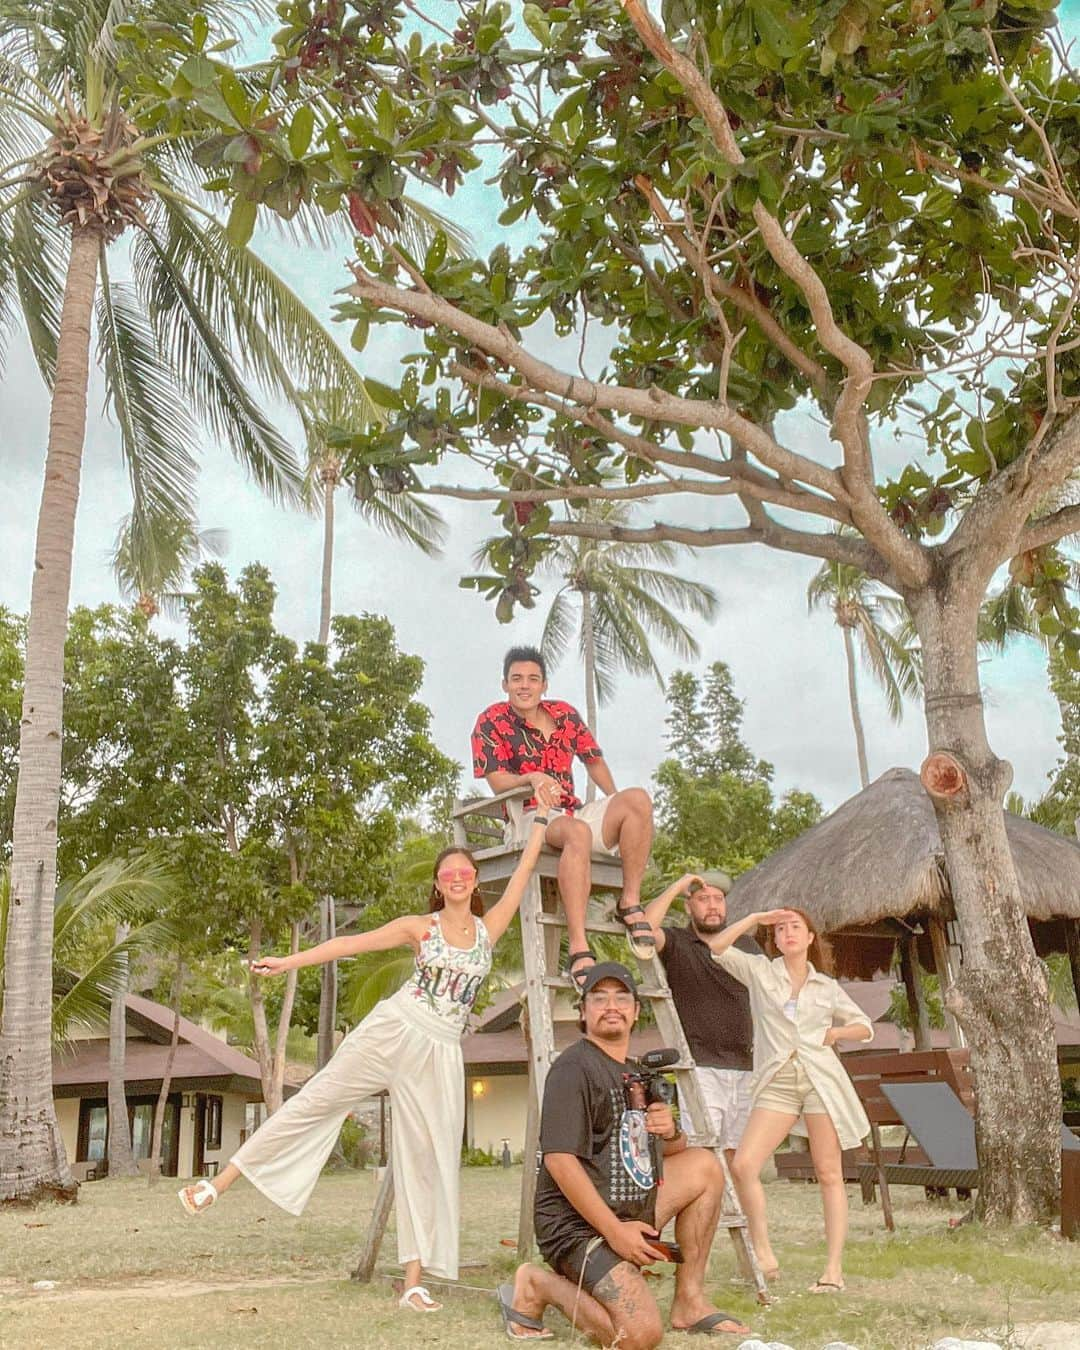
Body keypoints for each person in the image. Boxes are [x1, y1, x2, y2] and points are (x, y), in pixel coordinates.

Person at [178, 814, 550, 1315]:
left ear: (476, 880)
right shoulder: (420, 927)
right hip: (394, 1029)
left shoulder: (489, 929)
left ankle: (415, 1283)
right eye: (447, 874)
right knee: (317, 1098)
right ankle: (216, 1184)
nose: (457, 878)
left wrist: (543, 819)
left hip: (441, 1051)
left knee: (427, 1160)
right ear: (438, 887)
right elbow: (349, 945)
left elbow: (525, 871)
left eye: (465, 871)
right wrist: (288, 963)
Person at [498, 962, 750, 1345]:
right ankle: (537, 1285)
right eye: (599, 999)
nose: (610, 1006)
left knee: (705, 1166)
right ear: (583, 1012)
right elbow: (559, 1161)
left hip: (625, 1208)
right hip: (574, 1225)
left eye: (621, 998)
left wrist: (670, 1129)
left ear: (635, 1011)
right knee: (638, 1336)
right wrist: (614, 1233)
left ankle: (690, 1301)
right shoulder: (572, 1069)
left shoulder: (637, 1074)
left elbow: (666, 1151)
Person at [703, 906, 873, 1294]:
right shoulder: (761, 972)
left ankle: (833, 1269)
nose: (788, 933)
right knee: (744, 1165)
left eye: (795, 927)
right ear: (774, 939)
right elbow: (716, 948)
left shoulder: (826, 986)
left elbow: (864, 1027)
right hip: (777, 1081)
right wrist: (754, 918)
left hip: (820, 1080)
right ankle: (764, 1252)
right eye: (780, 929)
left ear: (810, 938)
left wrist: (835, 1034)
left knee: (829, 1172)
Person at [471, 645, 655, 989]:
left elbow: (593, 760)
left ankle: (629, 900)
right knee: (577, 833)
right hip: (528, 815)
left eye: (532, 679)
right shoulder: (491, 721)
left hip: (572, 812)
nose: (524, 686)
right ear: (504, 684)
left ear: (544, 685)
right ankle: (579, 947)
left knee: (637, 801)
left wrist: (612, 800)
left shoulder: (565, 715)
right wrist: (531, 778)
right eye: (516, 679)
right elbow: (497, 782)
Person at [642, 870, 758, 1166]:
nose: (712, 905)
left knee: (741, 1159)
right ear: (688, 906)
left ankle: (740, 1215)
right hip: (700, 1067)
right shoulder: (677, 941)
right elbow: (642, 929)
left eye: (718, 899)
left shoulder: (745, 946)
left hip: (748, 1066)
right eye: (703, 899)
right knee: (702, 1155)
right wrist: (678, 886)